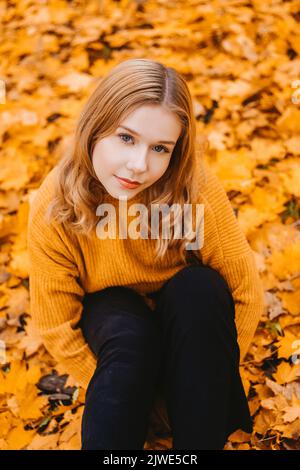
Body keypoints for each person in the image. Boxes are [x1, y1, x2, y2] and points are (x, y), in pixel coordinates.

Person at [27, 58, 265, 450]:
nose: (139, 165)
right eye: (125, 138)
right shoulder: (55, 203)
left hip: (189, 329)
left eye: (160, 148)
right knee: (127, 331)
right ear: (94, 128)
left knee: (200, 288)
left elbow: (245, 291)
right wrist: (123, 392)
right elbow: (56, 325)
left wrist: (211, 374)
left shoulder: (194, 190)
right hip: (116, 332)